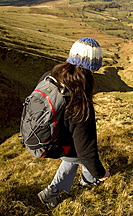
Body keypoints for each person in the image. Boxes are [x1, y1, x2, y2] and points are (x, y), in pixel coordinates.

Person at [37, 37, 110, 209]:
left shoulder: (50, 77)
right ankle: (89, 183)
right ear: (92, 67)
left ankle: (52, 192)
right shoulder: (79, 100)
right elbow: (87, 151)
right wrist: (101, 173)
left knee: (73, 155)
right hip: (54, 142)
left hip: (40, 135)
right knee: (82, 157)